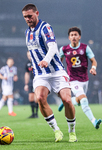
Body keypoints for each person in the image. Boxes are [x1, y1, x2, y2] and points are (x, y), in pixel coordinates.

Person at [22, 4, 77, 142]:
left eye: (30, 16)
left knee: (67, 100)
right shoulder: (27, 33)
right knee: (40, 98)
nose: (28, 19)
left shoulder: (45, 27)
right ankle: (57, 131)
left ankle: (72, 132)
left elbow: (53, 47)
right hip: (40, 74)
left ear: (37, 13)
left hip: (57, 71)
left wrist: (46, 60)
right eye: (25, 17)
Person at [58, 26, 102, 129]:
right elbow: (59, 62)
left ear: (79, 37)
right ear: (69, 37)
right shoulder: (64, 49)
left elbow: (93, 61)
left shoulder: (85, 48)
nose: (73, 37)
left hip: (85, 80)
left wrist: (93, 68)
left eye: (75, 35)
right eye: (71, 35)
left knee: (78, 100)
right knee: (84, 100)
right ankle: (94, 121)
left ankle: (65, 101)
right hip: (72, 80)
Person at [24, 51, 39, 118]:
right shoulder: (27, 63)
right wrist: (26, 84)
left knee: (36, 97)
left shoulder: (37, 61)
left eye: (30, 54)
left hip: (38, 81)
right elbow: (27, 73)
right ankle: (33, 113)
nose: (29, 56)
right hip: (31, 82)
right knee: (30, 98)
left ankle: (36, 114)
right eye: (28, 55)